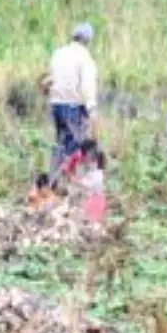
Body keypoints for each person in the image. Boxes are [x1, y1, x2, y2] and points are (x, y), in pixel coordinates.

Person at [45, 23, 99, 177]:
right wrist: (92, 109)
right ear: (88, 40)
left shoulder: (58, 54)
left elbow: (50, 78)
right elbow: (87, 86)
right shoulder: (85, 58)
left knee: (60, 143)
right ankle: (66, 181)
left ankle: (53, 178)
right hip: (73, 107)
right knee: (73, 147)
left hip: (56, 104)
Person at [81, 149, 107, 223]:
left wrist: (82, 181)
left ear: (95, 161)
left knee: (91, 220)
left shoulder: (96, 173)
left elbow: (92, 185)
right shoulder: (101, 173)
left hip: (94, 198)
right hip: (100, 199)